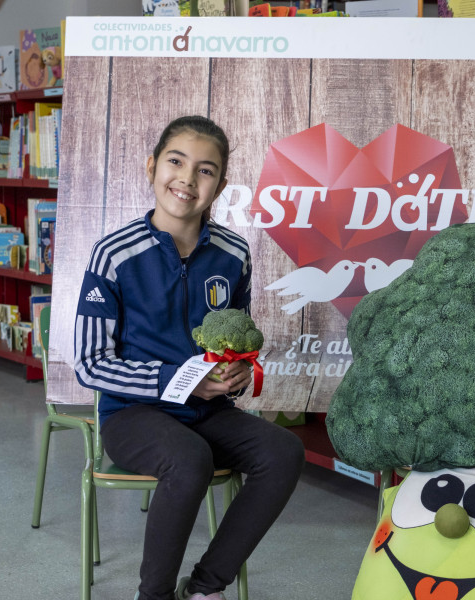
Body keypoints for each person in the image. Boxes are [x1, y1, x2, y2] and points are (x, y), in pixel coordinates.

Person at [73, 115, 306, 600]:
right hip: (134, 414)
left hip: (208, 411)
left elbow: (236, 341)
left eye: (205, 170)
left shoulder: (233, 253)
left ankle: (203, 587)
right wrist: (175, 381)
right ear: (152, 165)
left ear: (219, 186)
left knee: (283, 452)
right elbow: (90, 363)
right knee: (188, 458)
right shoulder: (112, 254)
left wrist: (237, 375)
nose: (187, 178)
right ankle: (152, 595)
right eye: (176, 161)